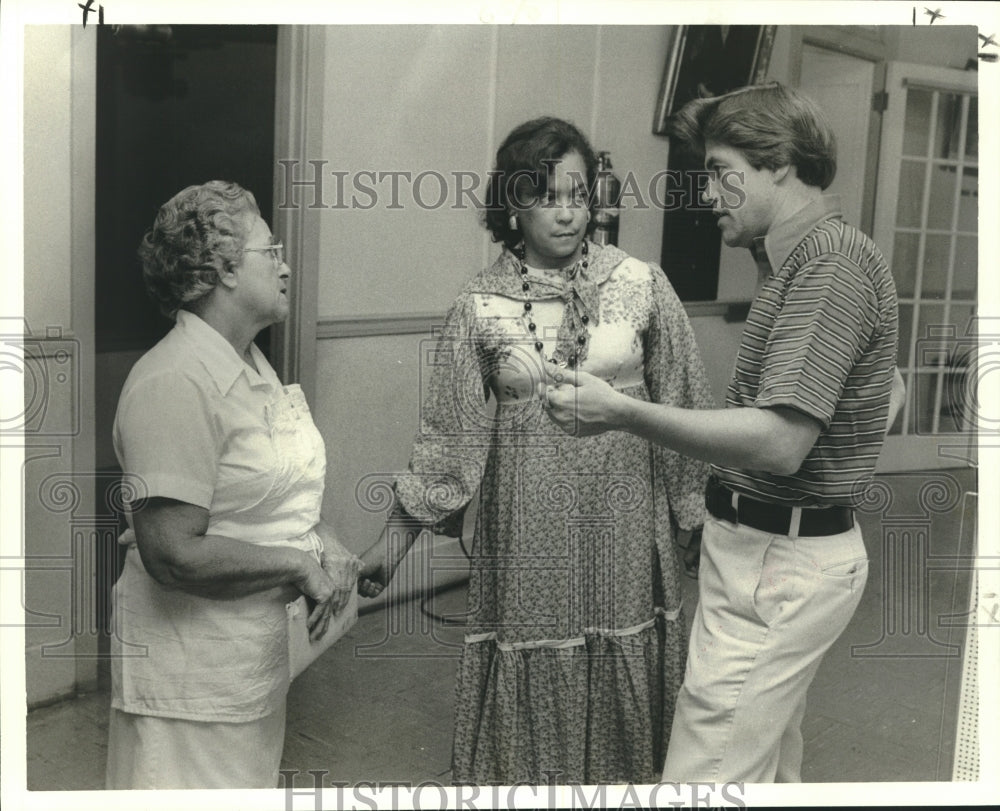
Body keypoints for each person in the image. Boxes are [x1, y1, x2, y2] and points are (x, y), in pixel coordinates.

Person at [544, 83, 905, 783]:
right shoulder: (796, 263)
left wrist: (621, 412)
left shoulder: (829, 264)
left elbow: (780, 442)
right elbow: (889, 389)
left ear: (779, 163)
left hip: (783, 560)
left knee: (701, 779)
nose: (706, 193)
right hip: (765, 550)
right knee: (766, 768)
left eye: (719, 170)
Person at [357, 117, 714, 785]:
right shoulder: (479, 305)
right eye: (548, 195)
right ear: (513, 204)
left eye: (579, 194)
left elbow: (686, 402)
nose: (569, 212)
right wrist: (393, 544)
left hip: (625, 523)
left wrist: (693, 515)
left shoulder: (640, 283)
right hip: (530, 534)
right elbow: (447, 436)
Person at [106, 180, 359, 789]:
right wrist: (298, 566)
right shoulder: (174, 381)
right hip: (190, 685)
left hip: (249, 664)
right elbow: (172, 551)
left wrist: (328, 542)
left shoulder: (249, 363)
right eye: (270, 253)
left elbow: (266, 492)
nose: (286, 266)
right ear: (219, 270)